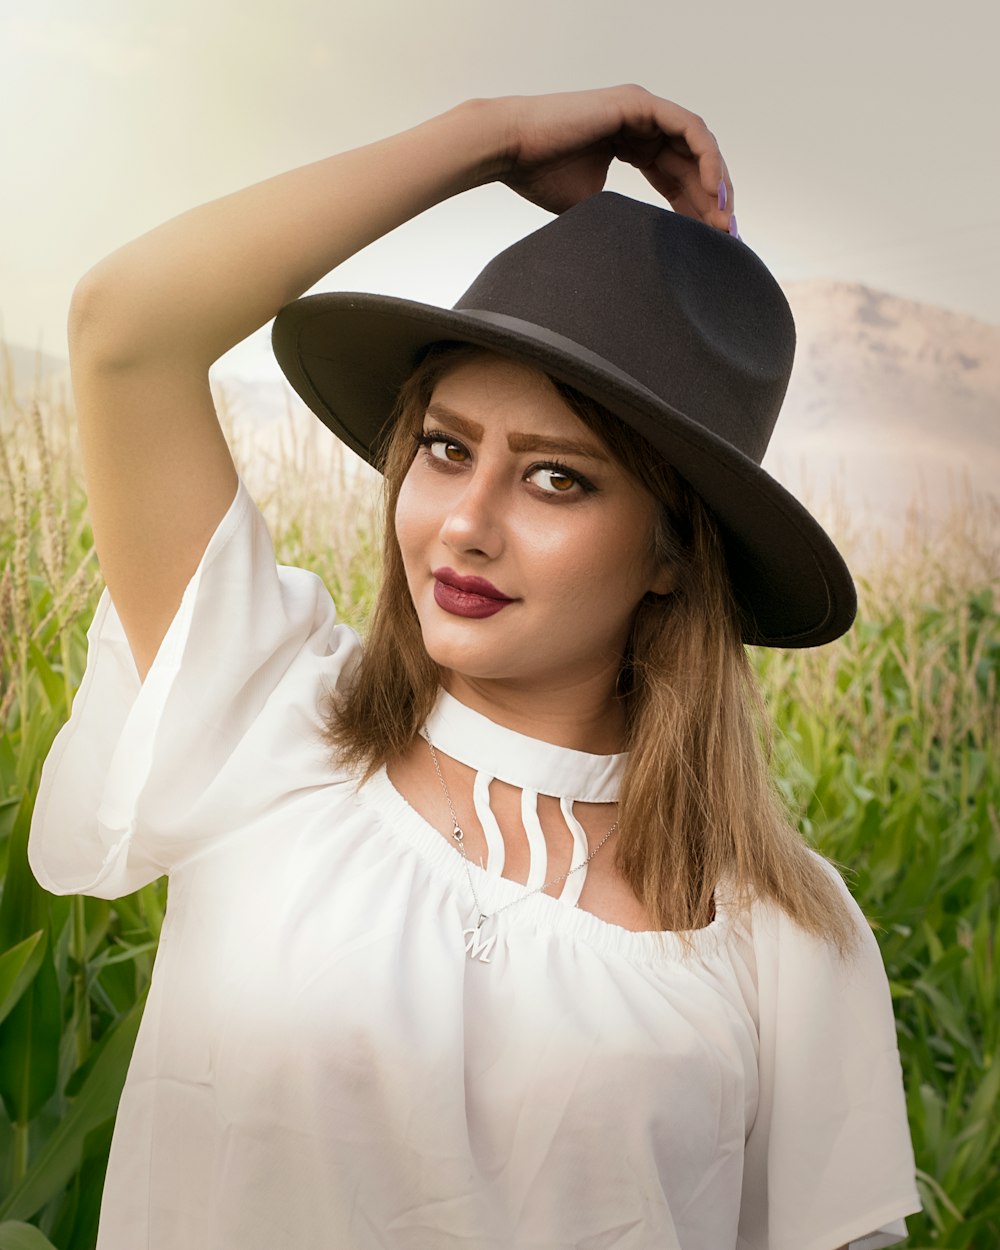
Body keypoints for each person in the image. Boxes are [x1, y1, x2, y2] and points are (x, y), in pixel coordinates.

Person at [29, 86, 920, 1249]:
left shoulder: (786, 936)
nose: (464, 522)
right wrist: (489, 138)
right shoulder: (263, 716)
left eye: (558, 477)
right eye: (446, 449)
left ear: (670, 550)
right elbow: (125, 327)